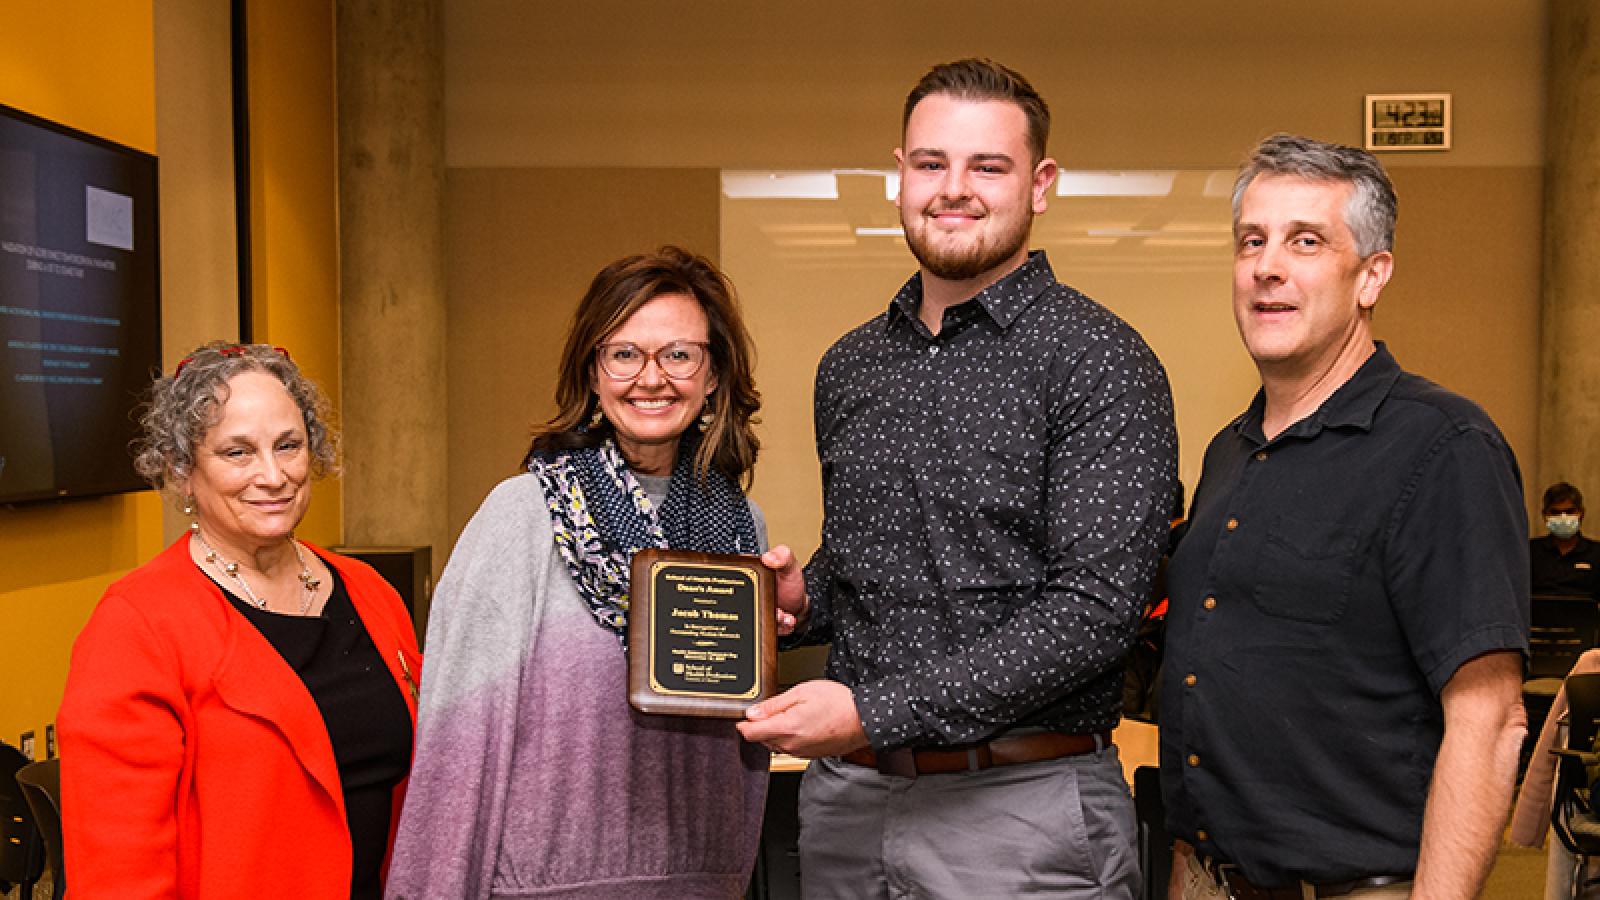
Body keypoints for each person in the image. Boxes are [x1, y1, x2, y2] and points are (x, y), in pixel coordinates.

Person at [738, 59, 1177, 898]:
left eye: (988, 166)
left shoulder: (1099, 361)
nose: (955, 188)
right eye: (932, 163)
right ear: (898, 176)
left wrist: (871, 710)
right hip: (848, 810)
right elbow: (887, 563)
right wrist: (802, 601)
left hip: (1025, 817)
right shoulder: (852, 365)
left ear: (1040, 184)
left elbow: (1093, 614)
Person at [1160, 134, 1529, 900]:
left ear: (1371, 276)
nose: (1267, 266)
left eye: (1306, 241)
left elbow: (1489, 719)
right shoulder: (1231, 451)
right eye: (1251, 241)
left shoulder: (1443, 446)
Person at [387, 247, 775, 899]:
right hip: (545, 886)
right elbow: (458, 751)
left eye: (679, 354)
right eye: (623, 353)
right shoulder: (522, 517)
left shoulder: (740, 531)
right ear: (592, 374)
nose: (652, 377)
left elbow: (743, 762)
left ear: (713, 376)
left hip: (699, 885)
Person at [58, 342, 421, 899]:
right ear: (183, 471)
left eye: (289, 445)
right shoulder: (138, 625)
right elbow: (117, 872)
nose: (273, 475)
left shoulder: (370, 592)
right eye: (237, 453)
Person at [1531, 481, 1600, 598]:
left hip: (1584, 615)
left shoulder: (1597, 553)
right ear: (1545, 515)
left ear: (1581, 513)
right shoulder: (1530, 551)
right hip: (1540, 615)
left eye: (1569, 511)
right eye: (1555, 512)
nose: (1563, 517)